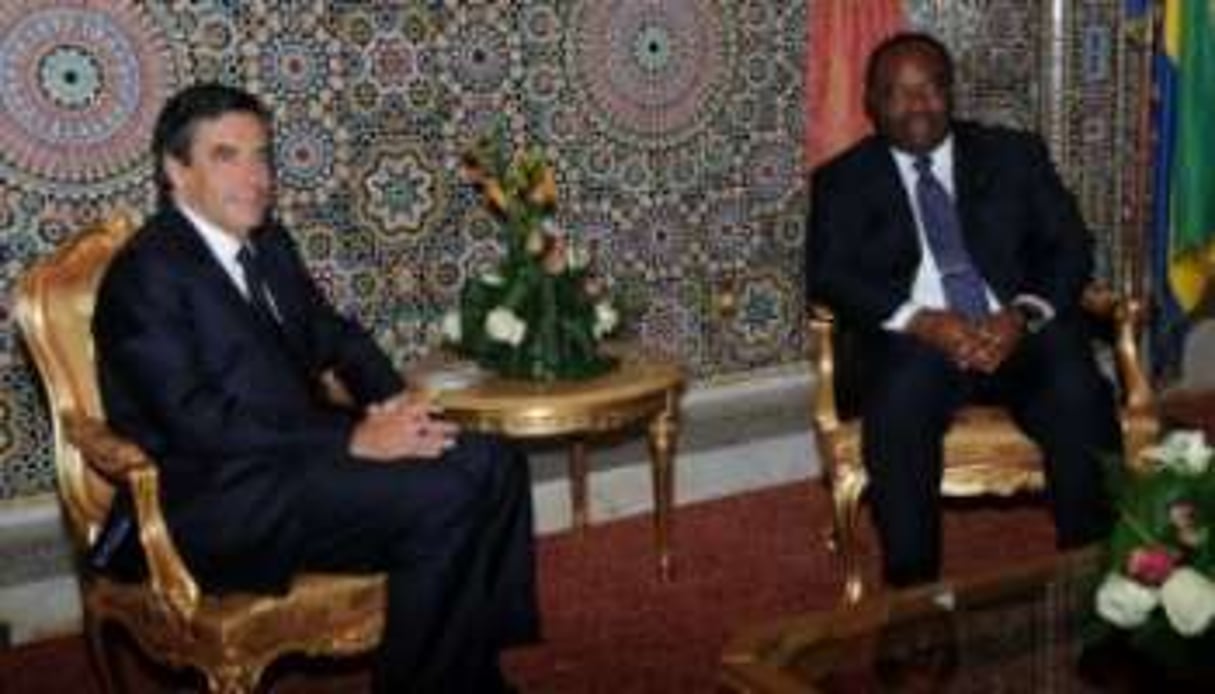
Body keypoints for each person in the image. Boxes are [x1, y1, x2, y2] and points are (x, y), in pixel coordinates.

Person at [90, 83, 539, 692]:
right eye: (228, 156)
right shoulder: (146, 274)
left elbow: (336, 337)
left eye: (262, 155)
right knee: (441, 495)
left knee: (495, 461)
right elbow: (198, 423)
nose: (256, 177)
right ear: (177, 170)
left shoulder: (268, 245)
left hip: (297, 462)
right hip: (217, 498)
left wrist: (393, 400)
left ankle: (469, 669)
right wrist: (352, 440)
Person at [806, 33, 1120, 587]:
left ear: (951, 93)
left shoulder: (1014, 154)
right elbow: (830, 273)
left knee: (1073, 379)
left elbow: (1071, 245)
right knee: (899, 399)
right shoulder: (843, 180)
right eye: (898, 93)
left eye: (930, 89)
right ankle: (913, 595)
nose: (917, 105)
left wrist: (1020, 315)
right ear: (871, 103)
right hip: (916, 345)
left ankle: (1098, 574)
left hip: (1015, 335)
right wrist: (923, 321)